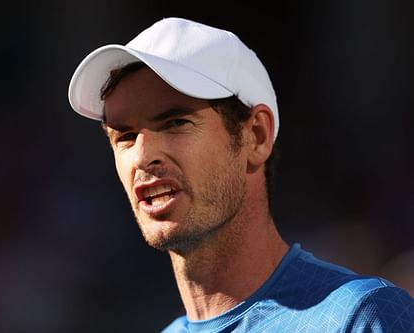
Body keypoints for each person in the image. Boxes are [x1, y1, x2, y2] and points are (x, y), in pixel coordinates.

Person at [67, 17, 414, 332]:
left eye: (175, 123)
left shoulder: (360, 316)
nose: (142, 157)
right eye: (124, 136)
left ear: (256, 136)